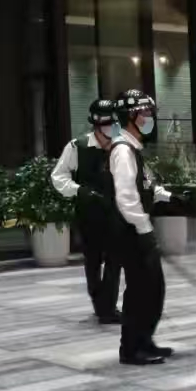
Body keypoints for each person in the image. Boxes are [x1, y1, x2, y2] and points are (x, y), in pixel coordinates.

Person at [110, 89, 175, 365]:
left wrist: (171, 197)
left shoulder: (134, 149)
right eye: (145, 113)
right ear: (131, 117)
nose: (149, 118)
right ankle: (131, 348)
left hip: (138, 230)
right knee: (140, 290)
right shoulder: (122, 151)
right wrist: (144, 228)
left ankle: (145, 340)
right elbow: (126, 197)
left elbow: (146, 185)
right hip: (132, 232)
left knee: (153, 288)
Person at [51, 98, 121, 324]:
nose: (112, 129)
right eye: (107, 124)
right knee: (93, 260)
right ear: (96, 124)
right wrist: (78, 190)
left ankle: (108, 307)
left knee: (115, 258)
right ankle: (100, 304)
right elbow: (58, 176)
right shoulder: (77, 147)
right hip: (89, 213)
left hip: (116, 211)